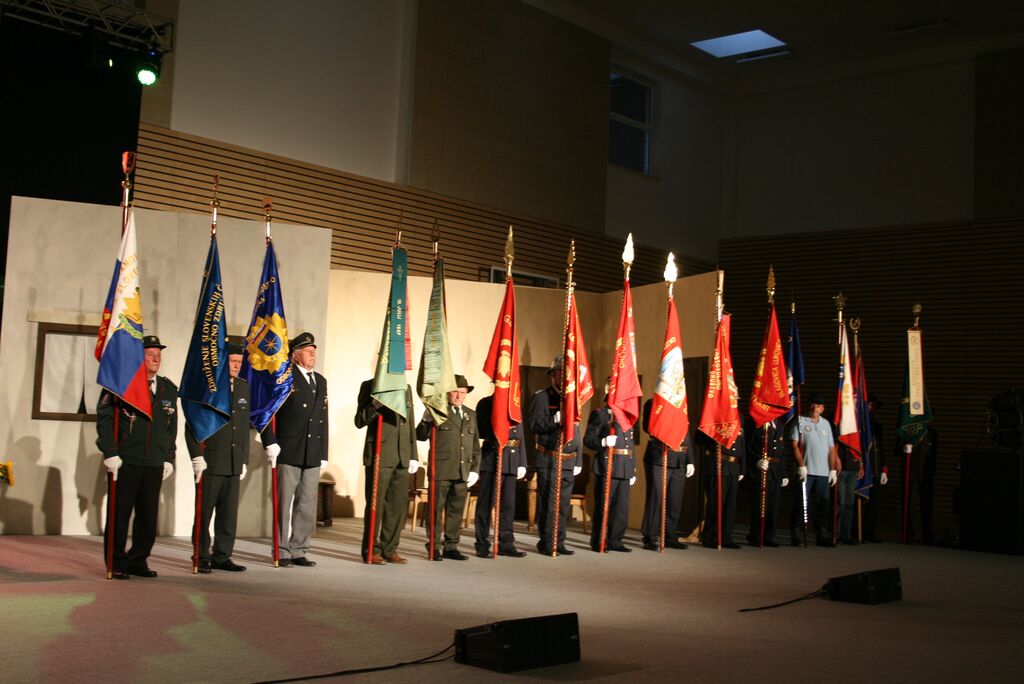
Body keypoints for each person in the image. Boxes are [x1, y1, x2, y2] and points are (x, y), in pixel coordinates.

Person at [97, 335, 177, 579]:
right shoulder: (120, 386)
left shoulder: (168, 388)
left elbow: (171, 427)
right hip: (126, 461)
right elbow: (105, 420)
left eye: (158, 355)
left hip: (154, 462)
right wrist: (110, 452)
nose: (156, 358)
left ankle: (138, 559)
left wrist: (169, 457)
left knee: (148, 517)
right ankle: (116, 562)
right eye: (150, 354)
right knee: (119, 515)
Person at [260, 332, 326, 568]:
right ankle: (281, 549)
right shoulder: (284, 377)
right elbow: (267, 411)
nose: (313, 355)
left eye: (314, 351)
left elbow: (323, 418)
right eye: (308, 351)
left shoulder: (321, 381)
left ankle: (299, 549)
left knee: (307, 504)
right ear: (295, 355)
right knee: (284, 503)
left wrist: (324, 452)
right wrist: (269, 441)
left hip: (312, 450)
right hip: (288, 448)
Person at [187, 339, 250, 572]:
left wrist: (244, 459)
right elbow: (193, 423)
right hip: (212, 460)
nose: (236, 366)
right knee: (204, 513)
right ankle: (201, 555)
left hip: (233, 461)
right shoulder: (210, 388)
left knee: (228, 514)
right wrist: (196, 455)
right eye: (233, 361)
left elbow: (243, 427)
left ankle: (222, 556)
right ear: (224, 362)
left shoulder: (243, 387)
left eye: (239, 362)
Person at [416, 374, 481, 560]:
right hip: (441, 470)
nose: (459, 396)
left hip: (462, 471)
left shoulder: (470, 414)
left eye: (463, 392)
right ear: (447, 393)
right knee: (435, 510)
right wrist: (426, 420)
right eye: (455, 392)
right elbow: (420, 435)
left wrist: (475, 469)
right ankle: (434, 546)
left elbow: (475, 446)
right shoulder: (437, 412)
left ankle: (451, 546)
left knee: (455, 511)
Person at [355, 377, 418, 564]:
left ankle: (390, 549)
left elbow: (409, 421)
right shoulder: (371, 385)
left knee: (396, 507)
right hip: (380, 454)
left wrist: (413, 454)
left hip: (402, 455)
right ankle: (371, 549)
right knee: (376, 505)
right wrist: (375, 406)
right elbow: (359, 420)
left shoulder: (406, 387)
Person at [528, 356, 583, 556]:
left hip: (568, 460)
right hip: (549, 458)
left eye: (567, 373)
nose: (565, 376)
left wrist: (578, 459)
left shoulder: (573, 399)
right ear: (553, 375)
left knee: (563, 506)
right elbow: (533, 425)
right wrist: (554, 420)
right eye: (560, 372)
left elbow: (577, 430)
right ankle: (547, 542)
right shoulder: (542, 397)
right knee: (549, 504)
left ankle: (559, 542)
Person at [474, 389, 528, 558]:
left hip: (511, 459)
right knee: (485, 505)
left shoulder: (514, 404)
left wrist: (522, 461)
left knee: (508, 506)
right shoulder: (486, 403)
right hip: (492, 458)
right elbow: (480, 431)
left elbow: (521, 434)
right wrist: (497, 416)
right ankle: (482, 544)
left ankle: (506, 543)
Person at [584, 390, 638, 552]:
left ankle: (615, 541)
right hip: (608, 465)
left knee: (621, 508)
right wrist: (603, 441)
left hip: (624, 466)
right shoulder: (601, 414)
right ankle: (599, 541)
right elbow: (588, 440)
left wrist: (632, 468)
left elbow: (630, 445)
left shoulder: (627, 417)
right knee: (603, 506)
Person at [640, 398, 694, 550]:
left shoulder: (681, 402)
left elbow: (686, 431)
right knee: (655, 499)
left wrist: (690, 460)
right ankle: (650, 537)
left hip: (679, 459)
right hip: (659, 457)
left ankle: (669, 536)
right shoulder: (654, 402)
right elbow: (647, 428)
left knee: (674, 501)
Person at [790, 394, 840, 547]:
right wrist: (801, 465)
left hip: (823, 472)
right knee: (801, 504)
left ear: (822, 409)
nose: (814, 408)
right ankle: (797, 534)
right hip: (806, 471)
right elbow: (794, 445)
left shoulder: (826, 424)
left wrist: (832, 470)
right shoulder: (800, 421)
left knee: (822, 505)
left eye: (818, 406)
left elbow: (831, 448)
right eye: (812, 405)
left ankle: (822, 535)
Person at [744, 416, 789, 547]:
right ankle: (755, 536)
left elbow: (782, 451)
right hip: (760, 467)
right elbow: (747, 446)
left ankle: (769, 536)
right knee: (759, 503)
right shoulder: (755, 423)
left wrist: (784, 473)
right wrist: (756, 461)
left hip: (775, 469)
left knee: (773, 504)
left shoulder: (779, 425)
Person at [698, 425, 746, 549]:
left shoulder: (739, 417)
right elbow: (698, 439)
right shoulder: (713, 416)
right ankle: (710, 536)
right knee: (716, 503)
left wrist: (742, 467)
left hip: (733, 466)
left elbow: (742, 444)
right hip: (718, 464)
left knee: (730, 505)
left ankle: (725, 536)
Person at [897, 425, 938, 544]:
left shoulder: (932, 433)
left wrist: (932, 473)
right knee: (909, 505)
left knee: (927, 506)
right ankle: (908, 534)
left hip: (926, 474)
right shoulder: (907, 430)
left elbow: (933, 455)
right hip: (910, 473)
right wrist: (904, 448)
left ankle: (927, 534)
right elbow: (897, 450)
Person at [860, 394, 887, 542]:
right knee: (862, 500)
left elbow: (881, 449)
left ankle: (869, 532)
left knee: (874, 503)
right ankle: (858, 531)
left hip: (876, 468)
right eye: (871, 405)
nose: (873, 408)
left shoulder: (877, 426)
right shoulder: (861, 424)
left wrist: (884, 469)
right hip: (865, 468)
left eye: (875, 406)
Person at [833, 421, 864, 545]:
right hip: (841, 467)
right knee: (840, 502)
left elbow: (858, 444)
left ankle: (846, 535)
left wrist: (860, 464)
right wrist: (835, 460)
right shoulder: (837, 420)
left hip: (853, 466)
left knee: (849, 503)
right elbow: (832, 443)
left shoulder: (856, 421)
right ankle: (836, 534)